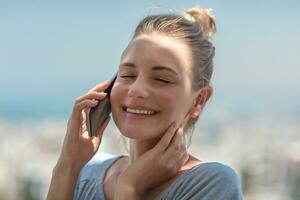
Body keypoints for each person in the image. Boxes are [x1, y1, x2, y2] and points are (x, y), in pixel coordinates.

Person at [47, 7, 243, 200]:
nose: (136, 90)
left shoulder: (211, 184)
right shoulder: (88, 172)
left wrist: (129, 188)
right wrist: (68, 164)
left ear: (199, 100)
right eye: (127, 75)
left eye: (162, 79)